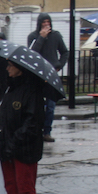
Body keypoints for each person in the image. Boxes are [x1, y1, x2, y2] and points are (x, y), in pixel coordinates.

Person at [0, 59, 45, 194]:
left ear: (20, 69)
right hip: (7, 145)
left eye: (11, 65)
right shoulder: (9, 89)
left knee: (24, 186)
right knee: (10, 185)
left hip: (24, 148)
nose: (7, 68)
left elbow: (32, 122)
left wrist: (15, 140)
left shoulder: (32, 92)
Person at [27, 13, 68, 143]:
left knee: (50, 106)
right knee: (37, 105)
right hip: (38, 74)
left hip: (51, 73)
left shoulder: (56, 36)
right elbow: (32, 53)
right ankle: (37, 130)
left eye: (48, 22)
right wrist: (41, 38)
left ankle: (47, 132)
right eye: (43, 22)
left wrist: (59, 65)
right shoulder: (33, 36)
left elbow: (65, 52)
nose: (46, 25)